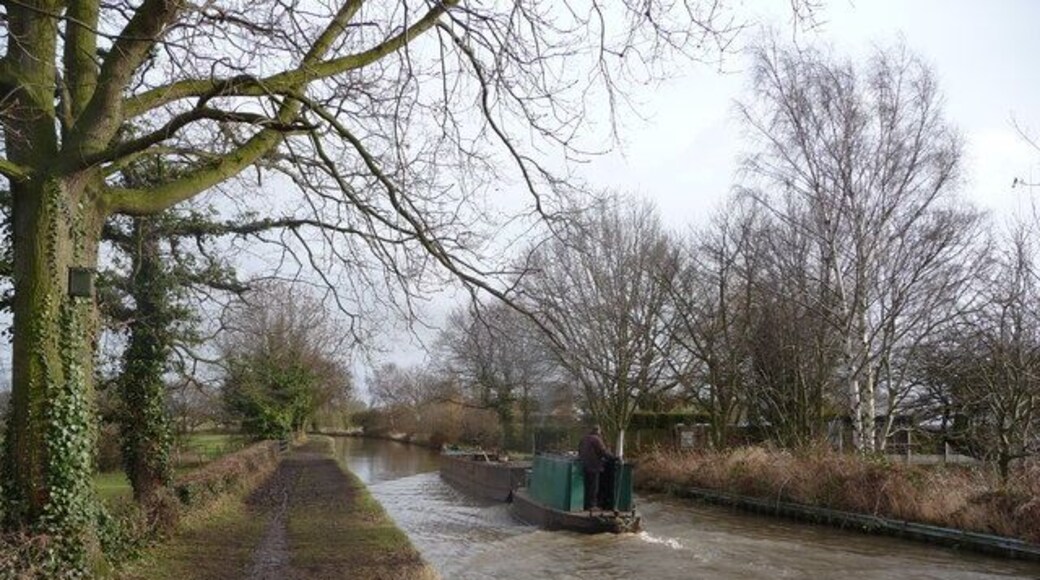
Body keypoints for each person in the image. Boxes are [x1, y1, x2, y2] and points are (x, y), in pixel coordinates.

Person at [577, 425, 614, 511]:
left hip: (584, 465)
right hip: (594, 466)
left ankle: (585, 504)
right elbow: (603, 451)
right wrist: (613, 457)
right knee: (594, 486)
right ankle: (592, 506)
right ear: (598, 431)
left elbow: (579, 451)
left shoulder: (584, 439)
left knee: (587, 486)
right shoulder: (596, 439)